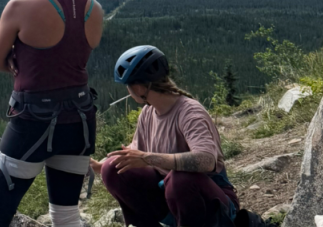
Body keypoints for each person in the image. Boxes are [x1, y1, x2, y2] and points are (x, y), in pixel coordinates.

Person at [0, 0, 104, 227]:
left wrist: (18, 57)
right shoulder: (95, 9)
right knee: (66, 215)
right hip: (79, 122)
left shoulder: (20, 6)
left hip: (31, 123)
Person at [91, 45, 239, 227]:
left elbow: (206, 160)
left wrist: (149, 158)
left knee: (180, 179)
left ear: (138, 88)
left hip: (214, 205)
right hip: (172, 198)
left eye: (128, 87)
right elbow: (134, 153)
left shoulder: (190, 113)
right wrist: (99, 166)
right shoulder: (148, 113)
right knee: (112, 168)